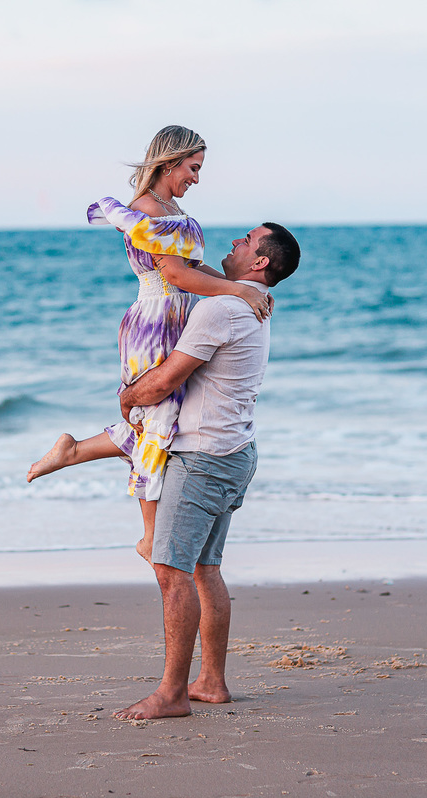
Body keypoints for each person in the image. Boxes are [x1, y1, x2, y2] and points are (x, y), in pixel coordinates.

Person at [26, 126, 271, 563]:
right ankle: (149, 533)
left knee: (161, 419)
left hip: (175, 314)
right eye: (193, 168)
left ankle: (74, 450)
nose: (196, 177)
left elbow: (194, 271)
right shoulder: (146, 209)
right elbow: (175, 276)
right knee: (156, 419)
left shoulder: (169, 207)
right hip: (156, 319)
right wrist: (237, 291)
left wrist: (244, 288)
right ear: (169, 162)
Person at [109, 221, 301, 720]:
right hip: (234, 453)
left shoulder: (222, 307)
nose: (235, 241)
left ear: (259, 261)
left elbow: (168, 376)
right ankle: (211, 682)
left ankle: (172, 694)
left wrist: (129, 397)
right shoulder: (252, 304)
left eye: (246, 241)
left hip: (202, 460)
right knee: (204, 569)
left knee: (172, 573)